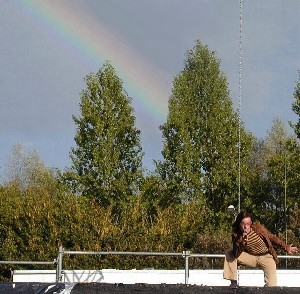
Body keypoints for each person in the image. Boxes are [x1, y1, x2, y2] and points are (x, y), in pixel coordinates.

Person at [223, 210, 298, 287]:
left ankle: (266, 288)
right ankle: (233, 283)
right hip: (251, 257)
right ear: (239, 224)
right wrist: (243, 242)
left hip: (266, 257)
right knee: (229, 253)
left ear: (251, 223)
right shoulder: (237, 236)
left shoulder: (258, 228)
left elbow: (271, 237)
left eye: (248, 224)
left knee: (272, 286)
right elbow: (236, 254)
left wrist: (286, 247)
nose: (246, 227)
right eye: (243, 224)